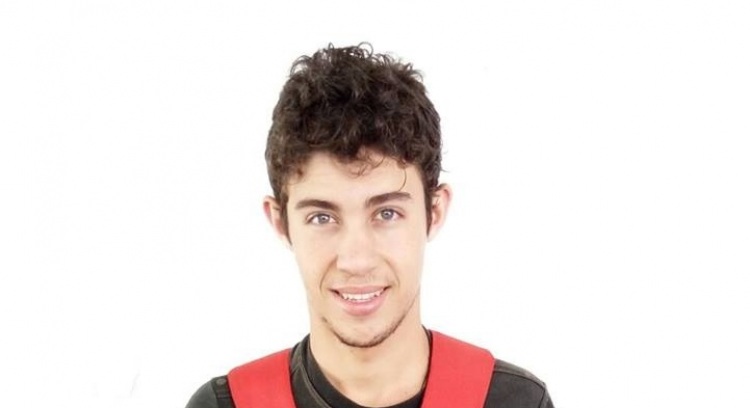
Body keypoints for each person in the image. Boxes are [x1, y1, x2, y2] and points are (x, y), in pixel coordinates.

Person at [185, 43, 554, 408]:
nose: (356, 260)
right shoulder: (225, 405)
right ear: (280, 223)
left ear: (435, 211)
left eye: (387, 213)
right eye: (322, 217)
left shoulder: (513, 402)